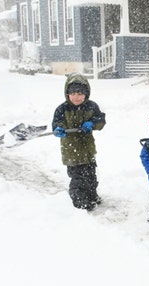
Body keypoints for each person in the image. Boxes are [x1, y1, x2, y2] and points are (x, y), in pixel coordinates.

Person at [52, 73, 106, 211]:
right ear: (67, 93)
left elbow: (101, 121)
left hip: (87, 149)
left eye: (81, 93)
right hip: (71, 151)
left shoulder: (92, 106)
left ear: (86, 93)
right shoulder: (62, 109)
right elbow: (56, 123)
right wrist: (59, 129)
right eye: (73, 93)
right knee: (77, 179)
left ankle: (91, 196)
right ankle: (80, 202)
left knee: (91, 176)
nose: (77, 97)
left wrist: (92, 123)